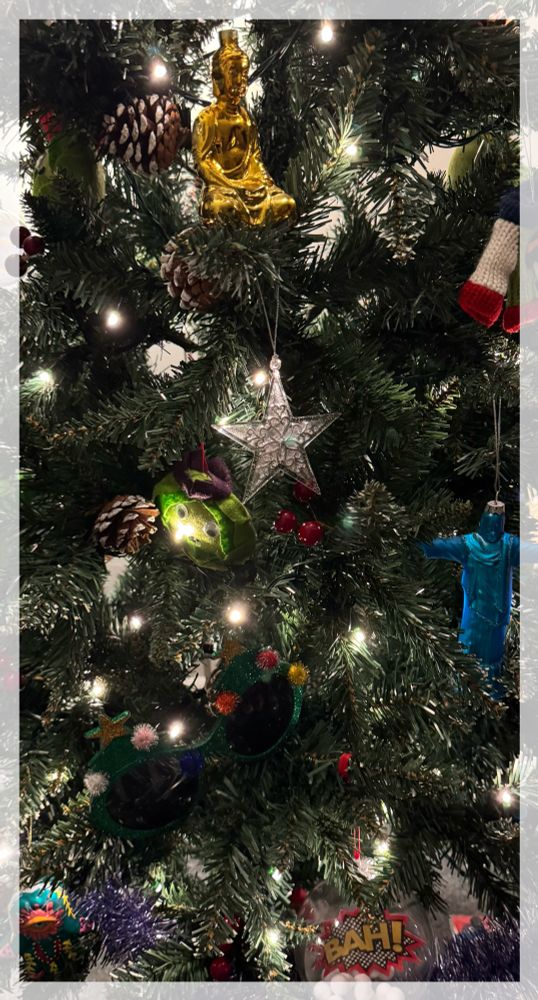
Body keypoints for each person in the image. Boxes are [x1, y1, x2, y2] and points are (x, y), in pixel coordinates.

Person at [192, 29, 296, 227]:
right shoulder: (207, 119)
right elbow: (203, 162)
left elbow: (254, 159)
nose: (241, 80)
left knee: (286, 204)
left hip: (250, 186)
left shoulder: (245, 118)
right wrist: (228, 184)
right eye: (234, 73)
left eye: (244, 74)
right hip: (223, 190)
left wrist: (264, 184)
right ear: (219, 77)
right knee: (219, 207)